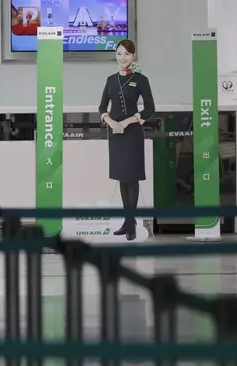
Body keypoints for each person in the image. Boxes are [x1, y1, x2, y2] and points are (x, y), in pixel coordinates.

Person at [98, 39, 155, 241]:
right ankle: (127, 222)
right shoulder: (110, 80)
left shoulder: (141, 80)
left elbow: (150, 109)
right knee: (122, 177)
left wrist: (129, 121)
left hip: (132, 134)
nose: (122, 58)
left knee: (132, 177)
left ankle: (131, 224)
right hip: (116, 135)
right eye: (119, 53)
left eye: (127, 54)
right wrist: (110, 121)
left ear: (133, 56)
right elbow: (102, 107)